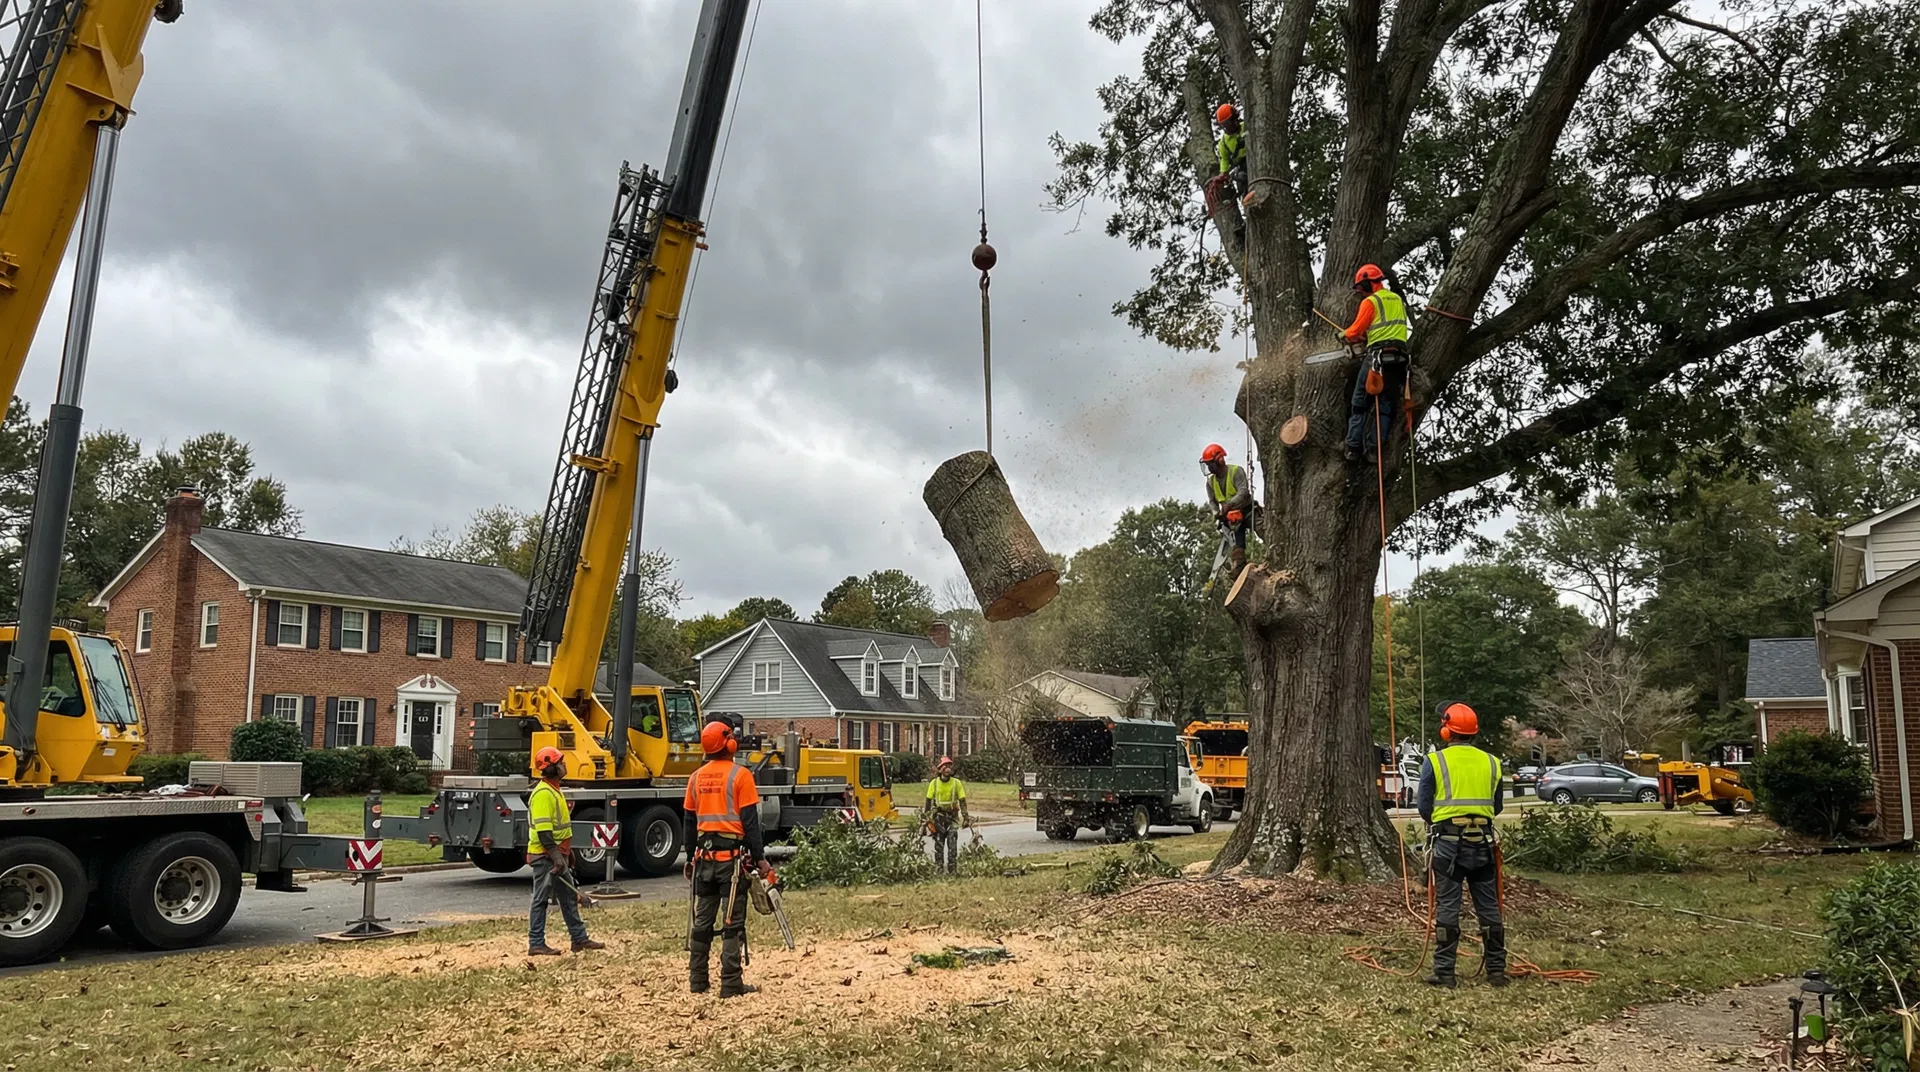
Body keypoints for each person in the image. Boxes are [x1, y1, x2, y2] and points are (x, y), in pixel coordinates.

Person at [1415, 702, 1506, 989]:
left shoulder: (1435, 761)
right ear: (1474, 732)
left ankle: (1445, 972)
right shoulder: (1492, 762)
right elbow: (1498, 805)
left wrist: (1441, 824)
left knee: (1448, 909)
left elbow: (1424, 806)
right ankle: (1497, 971)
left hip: (1449, 846)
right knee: (1489, 909)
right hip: (1484, 845)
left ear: (1446, 730)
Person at [683, 719, 769, 997]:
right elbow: (750, 822)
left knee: (702, 922)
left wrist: (689, 858)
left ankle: (698, 982)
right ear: (729, 743)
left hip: (703, 861)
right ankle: (730, 984)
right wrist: (760, 859)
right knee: (732, 923)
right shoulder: (740, 775)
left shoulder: (695, 778)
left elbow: (688, 821)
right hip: (731, 864)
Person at [526, 746, 605, 956]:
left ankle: (579, 939)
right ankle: (536, 943)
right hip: (545, 856)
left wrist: (566, 853)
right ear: (551, 768)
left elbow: (558, 829)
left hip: (556, 854)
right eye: (560, 762)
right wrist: (556, 857)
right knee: (540, 898)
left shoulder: (554, 790)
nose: (564, 765)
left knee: (569, 897)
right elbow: (544, 832)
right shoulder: (543, 794)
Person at [1342, 263, 1413, 462]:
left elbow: (1355, 330)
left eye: (1361, 288)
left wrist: (1343, 334)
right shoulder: (1396, 299)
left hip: (1377, 357)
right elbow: (1385, 326)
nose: (1360, 292)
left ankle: (1353, 447)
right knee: (1385, 406)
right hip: (1399, 359)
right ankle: (1374, 450)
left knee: (1359, 403)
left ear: (1367, 283)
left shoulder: (1371, 301)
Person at [1201, 443, 1254, 574]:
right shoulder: (1210, 482)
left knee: (1263, 527)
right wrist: (1216, 513)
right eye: (1207, 465)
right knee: (1236, 545)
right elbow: (1212, 501)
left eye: (1211, 464)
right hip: (1231, 518)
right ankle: (1239, 568)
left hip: (1247, 510)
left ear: (1220, 460)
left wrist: (1229, 504)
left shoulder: (1236, 471)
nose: (1209, 467)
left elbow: (1243, 492)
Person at [922, 756, 970, 873]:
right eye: (945, 766)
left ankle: (952, 871)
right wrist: (924, 820)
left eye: (949, 766)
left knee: (952, 847)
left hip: (952, 818)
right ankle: (939, 870)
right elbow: (928, 803)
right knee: (939, 846)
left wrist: (966, 818)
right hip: (938, 819)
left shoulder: (956, 783)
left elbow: (962, 801)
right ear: (940, 769)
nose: (948, 768)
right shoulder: (934, 784)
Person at [1213, 103, 1248, 202]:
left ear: (1235, 118)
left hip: (1254, 159)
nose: (1229, 126)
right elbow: (1224, 159)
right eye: (1225, 124)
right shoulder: (1223, 143)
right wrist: (1223, 173)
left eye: (1230, 122)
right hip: (1241, 167)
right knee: (1242, 182)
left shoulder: (1246, 126)